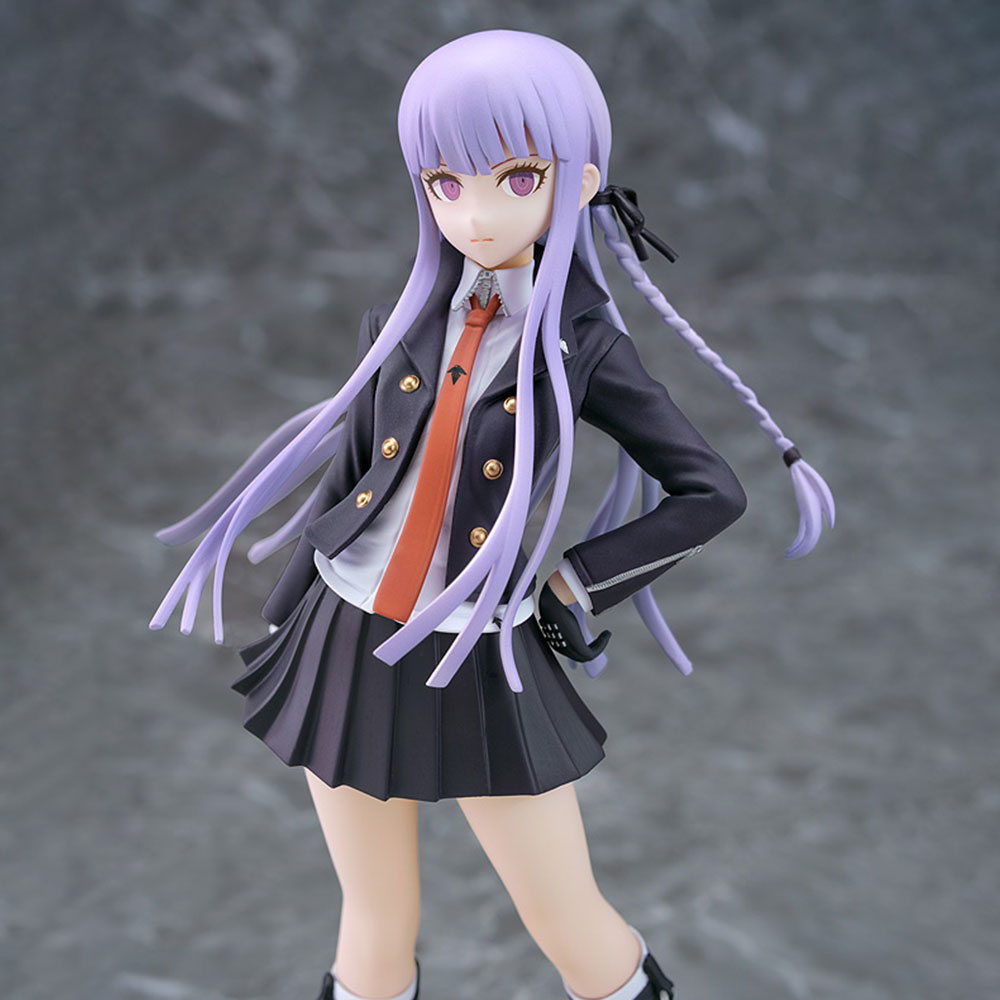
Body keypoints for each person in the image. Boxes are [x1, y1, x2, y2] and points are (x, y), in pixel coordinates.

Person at [151, 29, 833, 1000]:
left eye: (515, 179)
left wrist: (574, 582)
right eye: (444, 182)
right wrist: (294, 602)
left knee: (568, 921)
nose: (473, 214)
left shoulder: (583, 347)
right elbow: (355, 468)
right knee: (372, 923)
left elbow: (710, 490)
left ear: (579, 179)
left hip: (478, 652)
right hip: (345, 636)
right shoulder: (405, 320)